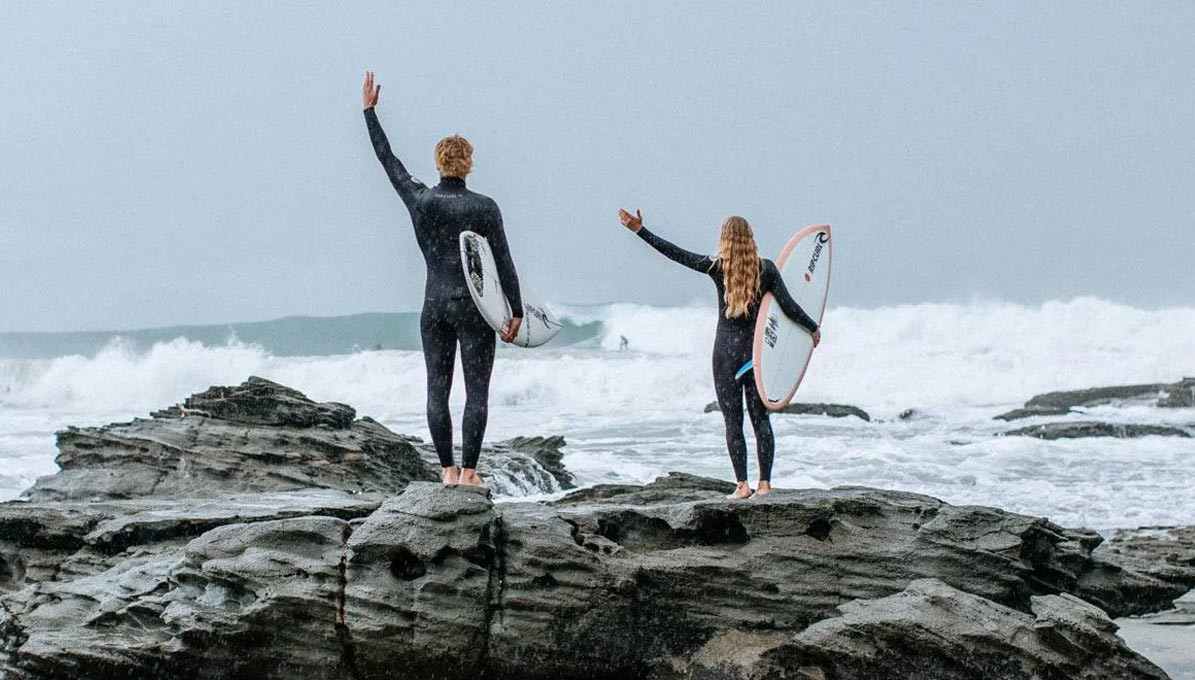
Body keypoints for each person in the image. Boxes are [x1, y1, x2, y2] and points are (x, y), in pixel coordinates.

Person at [363, 71, 523, 488]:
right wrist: (517, 311)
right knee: (476, 392)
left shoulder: (421, 201)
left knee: (437, 389)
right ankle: (470, 473)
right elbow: (503, 261)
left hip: (433, 305)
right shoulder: (485, 207)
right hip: (474, 309)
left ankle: (447, 472)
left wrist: (369, 114)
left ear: (438, 163)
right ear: (468, 164)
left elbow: (388, 161)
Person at [618, 209, 821, 499]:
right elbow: (788, 306)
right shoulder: (767, 270)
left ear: (724, 240)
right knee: (760, 419)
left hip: (725, 354)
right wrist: (812, 328)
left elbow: (676, 253)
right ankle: (764, 485)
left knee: (732, 421)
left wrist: (641, 231)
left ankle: (742, 485)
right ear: (750, 239)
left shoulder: (717, 268)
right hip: (756, 356)